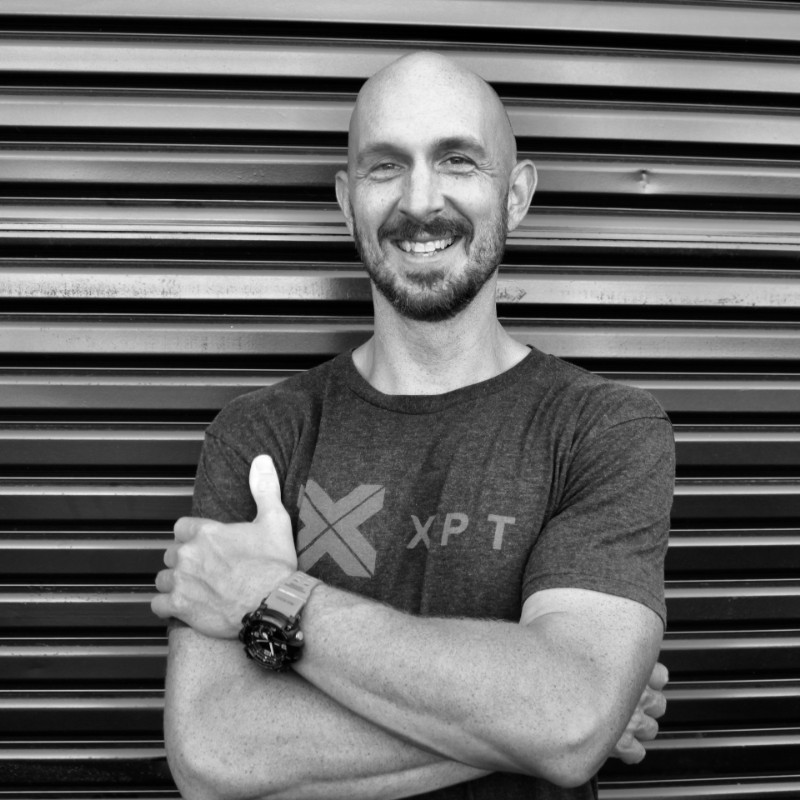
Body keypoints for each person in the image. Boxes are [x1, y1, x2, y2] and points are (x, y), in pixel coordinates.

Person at [151, 51, 674, 800]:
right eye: (385, 167)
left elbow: (568, 715)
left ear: (516, 195)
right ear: (346, 200)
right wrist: (545, 723)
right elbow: (215, 750)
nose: (420, 201)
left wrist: (270, 599)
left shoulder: (602, 428)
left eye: (457, 160)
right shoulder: (261, 432)